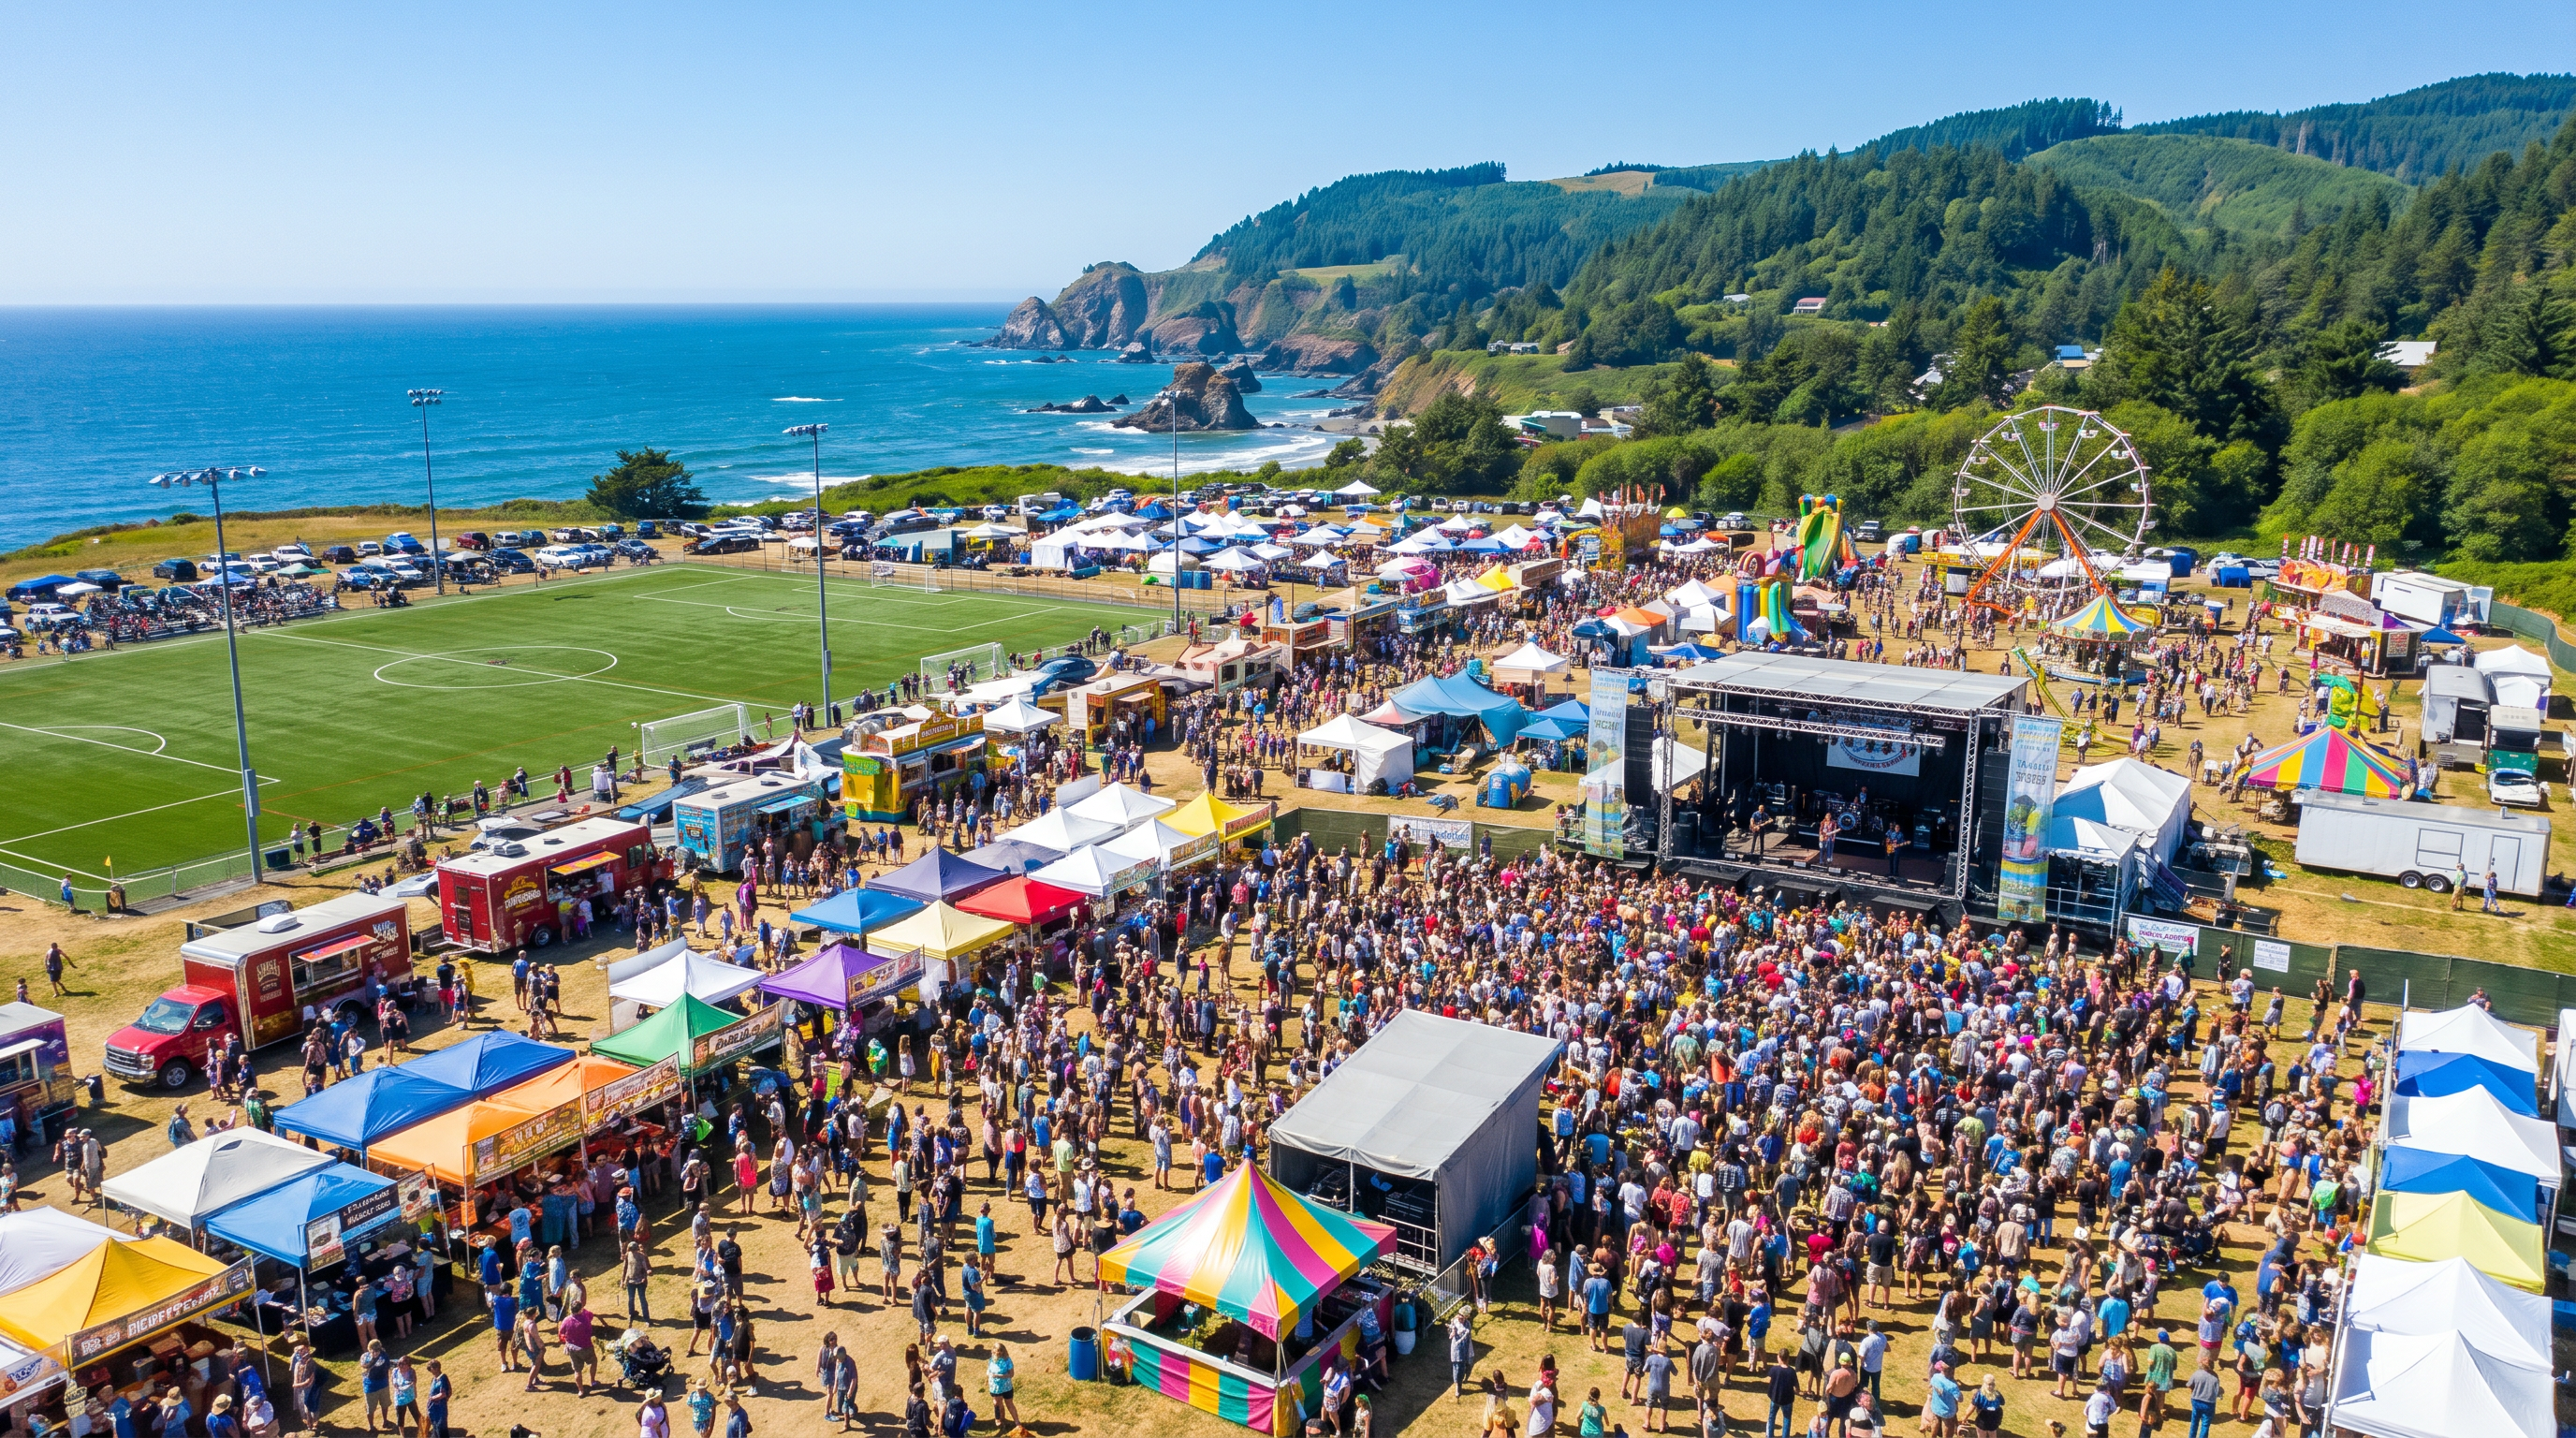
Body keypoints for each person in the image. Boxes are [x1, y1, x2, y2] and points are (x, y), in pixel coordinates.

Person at [987, 1343, 1019, 1435]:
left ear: (1003, 1351)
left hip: (1006, 1386)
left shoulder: (1007, 1360)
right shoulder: (991, 1360)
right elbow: (988, 1370)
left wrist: (999, 1376)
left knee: (1009, 1404)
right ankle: (1002, 1420)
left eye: (1000, 1351)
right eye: (996, 1351)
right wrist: (988, 1374)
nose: (998, 1353)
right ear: (993, 1351)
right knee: (998, 1404)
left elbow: (1011, 1374)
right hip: (995, 1387)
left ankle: (1017, 1422)